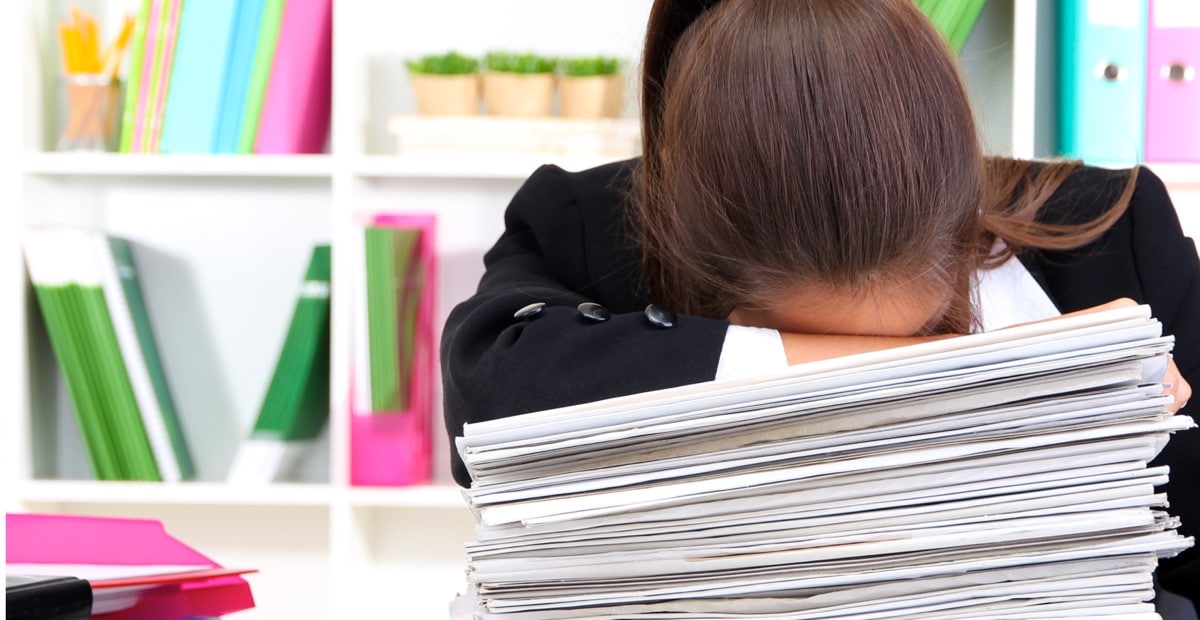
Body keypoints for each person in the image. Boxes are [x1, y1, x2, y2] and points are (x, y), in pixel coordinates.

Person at [441, 0, 1199, 609]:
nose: (880, 356)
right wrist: (1033, 370)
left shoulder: (1111, 237)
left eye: (926, 327)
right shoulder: (590, 226)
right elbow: (494, 399)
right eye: (800, 340)